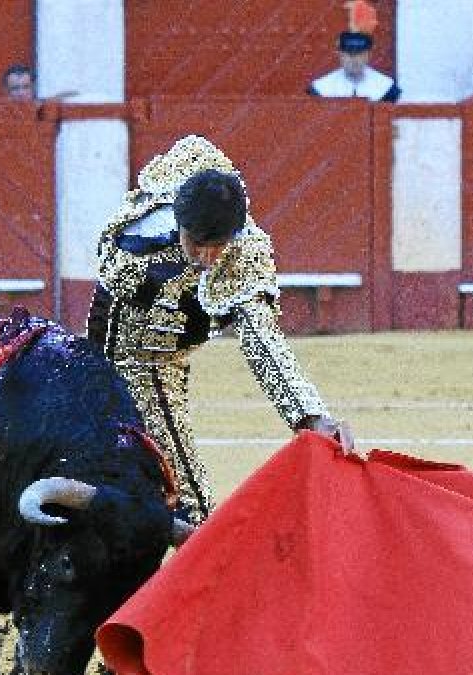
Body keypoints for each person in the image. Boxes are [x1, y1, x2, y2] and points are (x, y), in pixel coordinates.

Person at [86, 135, 359, 527]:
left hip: (161, 360)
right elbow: (108, 277)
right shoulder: (143, 230)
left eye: (217, 245)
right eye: (197, 243)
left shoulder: (245, 254)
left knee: (173, 495)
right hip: (124, 356)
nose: (206, 257)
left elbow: (263, 340)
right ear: (179, 223)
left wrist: (310, 416)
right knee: (188, 503)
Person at [308, 31, 401, 102]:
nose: (354, 60)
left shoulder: (386, 87)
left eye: (360, 54)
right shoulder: (321, 87)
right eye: (349, 54)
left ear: (369, 55)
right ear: (340, 55)